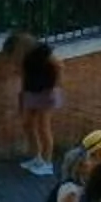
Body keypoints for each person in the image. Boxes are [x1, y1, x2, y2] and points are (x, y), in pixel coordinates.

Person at [17, 40, 63, 176]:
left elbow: (59, 66)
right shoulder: (22, 57)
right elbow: (23, 75)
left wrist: (55, 86)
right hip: (31, 90)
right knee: (27, 124)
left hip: (46, 91)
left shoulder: (41, 52)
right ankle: (36, 157)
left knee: (44, 126)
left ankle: (47, 163)